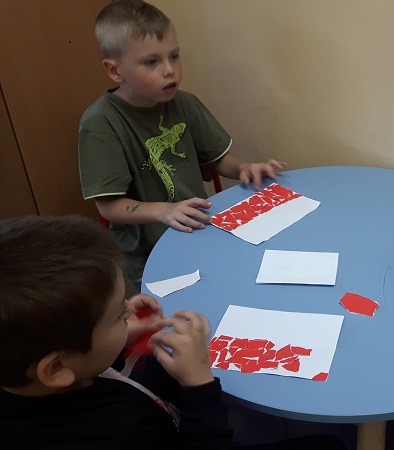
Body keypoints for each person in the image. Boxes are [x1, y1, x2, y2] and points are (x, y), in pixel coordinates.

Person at [0, 215, 347, 450]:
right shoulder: (123, 435)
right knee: (328, 444)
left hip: (135, 401)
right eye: (118, 314)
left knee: (160, 359)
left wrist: (123, 337)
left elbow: (89, 364)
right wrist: (199, 386)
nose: (130, 309)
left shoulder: (24, 368)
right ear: (55, 368)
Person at [79, 0, 287, 286]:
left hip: (200, 232)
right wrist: (164, 210)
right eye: (152, 62)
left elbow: (218, 158)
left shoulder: (185, 103)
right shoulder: (101, 123)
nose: (170, 70)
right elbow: (109, 206)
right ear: (115, 70)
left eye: (174, 56)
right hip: (147, 259)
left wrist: (244, 168)